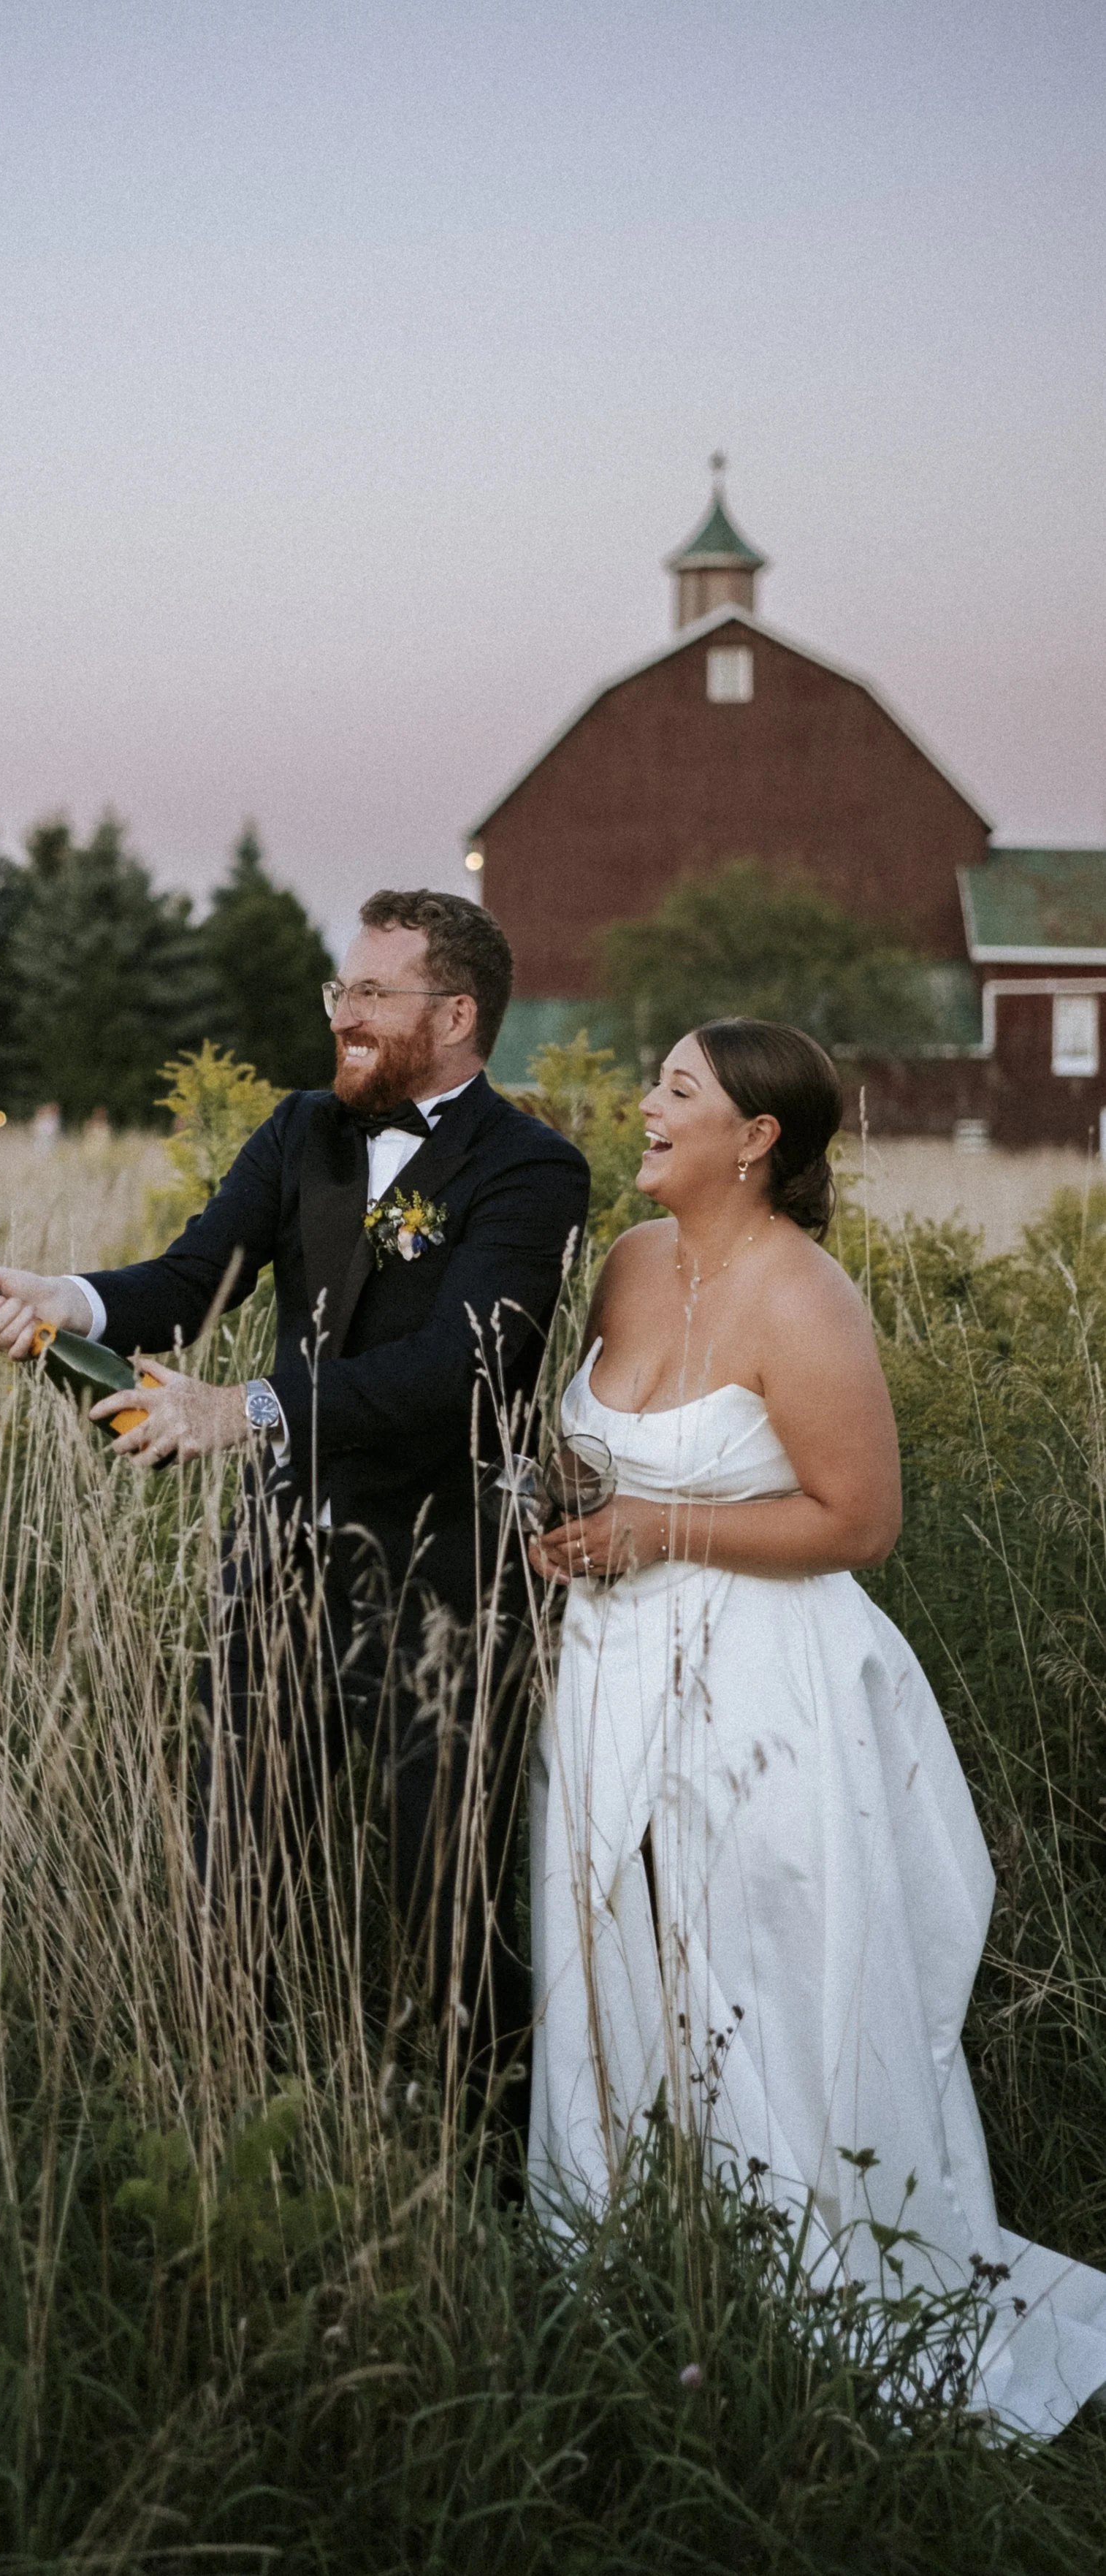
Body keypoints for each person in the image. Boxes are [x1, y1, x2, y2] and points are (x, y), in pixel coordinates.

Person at [527, 1015, 1106, 2438]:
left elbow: (855, 1519)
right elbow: (587, 1445)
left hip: (768, 1688)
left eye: (675, 1090)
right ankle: (625, 2259)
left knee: (770, 1988)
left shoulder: (805, 1299)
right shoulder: (624, 1262)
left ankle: (811, 2288)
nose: (643, 1106)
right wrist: (562, 1520)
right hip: (607, 1676)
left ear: (757, 1136)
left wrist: (658, 1523)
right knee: (609, 1969)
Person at [0, 888, 589, 2102]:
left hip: (444, 1586)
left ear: (456, 1013)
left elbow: (462, 1367)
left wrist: (236, 1407)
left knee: (443, 1894)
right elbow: (194, 1280)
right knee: (235, 1867)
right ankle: (239, 2118)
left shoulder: (532, 1168)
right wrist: (67, 1301)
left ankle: (494, 2163)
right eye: (338, 991)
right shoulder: (303, 1128)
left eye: (372, 993)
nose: (343, 1015)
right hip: (276, 1570)